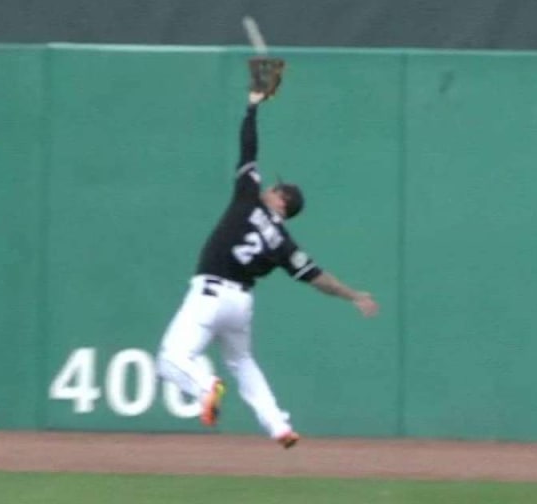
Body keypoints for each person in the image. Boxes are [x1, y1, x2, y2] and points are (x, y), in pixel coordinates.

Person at [155, 88, 379, 449]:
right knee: (243, 363)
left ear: (280, 199)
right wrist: (352, 295)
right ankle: (277, 425)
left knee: (170, 359)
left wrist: (252, 107)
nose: (269, 188)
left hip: (209, 295)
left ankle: (203, 387)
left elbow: (248, 150)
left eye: (274, 188)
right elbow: (317, 278)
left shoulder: (247, 199)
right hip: (239, 305)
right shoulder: (283, 244)